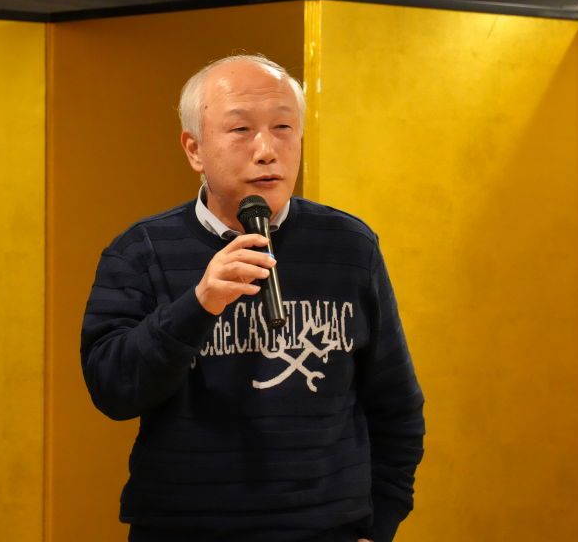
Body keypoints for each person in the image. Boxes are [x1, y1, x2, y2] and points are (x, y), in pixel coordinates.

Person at [80, 55, 424, 542]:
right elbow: (112, 389)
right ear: (195, 149)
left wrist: (378, 525)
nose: (266, 150)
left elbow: (396, 407)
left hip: (326, 529)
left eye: (283, 127)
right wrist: (197, 304)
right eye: (241, 130)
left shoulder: (350, 247)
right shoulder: (141, 250)